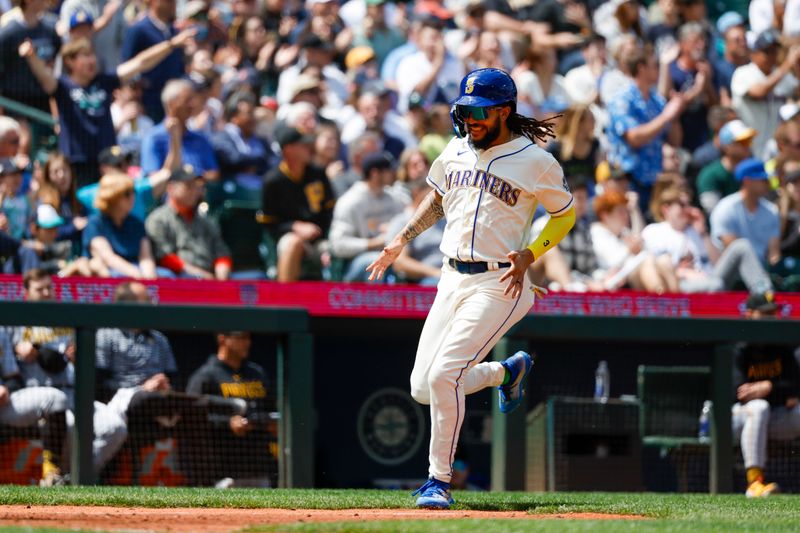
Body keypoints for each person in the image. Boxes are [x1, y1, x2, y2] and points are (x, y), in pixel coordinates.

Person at [366, 68, 575, 509]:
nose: (471, 120)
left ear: (504, 111)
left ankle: (437, 482)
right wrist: (400, 238)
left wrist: (533, 253)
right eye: (465, 111)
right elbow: (438, 199)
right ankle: (505, 372)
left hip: (500, 280)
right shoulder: (457, 148)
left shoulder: (535, 160)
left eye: (479, 112)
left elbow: (565, 215)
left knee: (445, 376)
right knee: (423, 387)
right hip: (450, 275)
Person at [19, 29, 195, 187]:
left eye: (92, 55)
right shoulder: (63, 87)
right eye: (85, 55)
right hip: (78, 164)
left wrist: (171, 44)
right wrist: (31, 57)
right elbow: (44, 76)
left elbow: (140, 63)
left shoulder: (104, 81)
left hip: (109, 161)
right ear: (70, 61)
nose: (92, 60)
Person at [13, 268, 127, 475]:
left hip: (75, 394)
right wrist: (26, 349)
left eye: (50, 288)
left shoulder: (69, 319)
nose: (47, 293)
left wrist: (80, 357)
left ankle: (78, 476)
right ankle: (64, 477)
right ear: (26, 293)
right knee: (69, 426)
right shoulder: (17, 323)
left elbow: (87, 363)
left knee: (115, 426)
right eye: (40, 289)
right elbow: (23, 355)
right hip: (43, 399)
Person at [186, 331, 277, 488]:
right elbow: (189, 419)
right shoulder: (205, 376)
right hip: (222, 470)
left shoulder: (256, 373)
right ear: (223, 339)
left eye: (248, 337)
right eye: (241, 337)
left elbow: (270, 409)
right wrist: (227, 423)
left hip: (259, 467)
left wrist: (270, 423)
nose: (247, 343)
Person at [643, 186, 774, 295]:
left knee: (742, 246)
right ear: (666, 209)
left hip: (710, 277)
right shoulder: (654, 231)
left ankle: (764, 294)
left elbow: (717, 263)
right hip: (681, 284)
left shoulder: (695, 230)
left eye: (689, 204)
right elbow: (653, 268)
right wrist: (683, 273)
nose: (688, 209)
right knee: (715, 285)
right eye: (682, 205)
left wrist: (703, 233)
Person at [732, 292, 800, 497]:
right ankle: (754, 483)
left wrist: (768, 387)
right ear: (750, 314)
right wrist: (779, 391)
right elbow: (738, 393)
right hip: (733, 421)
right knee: (758, 407)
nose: (771, 318)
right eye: (765, 313)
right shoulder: (739, 345)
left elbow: (794, 389)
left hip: (770, 420)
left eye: (773, 313)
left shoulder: (781, 345)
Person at [260, 123, 336, 282]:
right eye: (304, 145)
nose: (310, 148)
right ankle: (284, 301)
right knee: (293, 242)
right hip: (288, 239)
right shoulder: (273, 181)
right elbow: (268, 224)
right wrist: (294, 226)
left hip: (321, 240)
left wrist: (328, 238)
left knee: (338, 249)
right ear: (289, 149)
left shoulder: (318, 174)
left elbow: (330, 212)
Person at [145, 165, 232, 280]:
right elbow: (164, 257)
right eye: (188, 186)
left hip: (209, 277)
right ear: (171, 188)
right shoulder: (159, 219)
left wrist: (221, 275)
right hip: (179, 280)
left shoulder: (205, 220)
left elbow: (222, 253)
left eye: (196, 187)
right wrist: (199, 275)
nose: (194, 191)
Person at [329, 151, 405, 282]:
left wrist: (393, 229)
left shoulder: (393, 198)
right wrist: (371, 243)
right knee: (377, 261)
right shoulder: (350, 201)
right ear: (375, 173)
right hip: (354, 264)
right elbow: (338, 245)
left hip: (390, 255)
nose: (394, 173)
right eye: (389, 170)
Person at [731, 29, 800, 160]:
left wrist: (796, 67)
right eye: (767, 52)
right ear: (754, 53)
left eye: (775, 51)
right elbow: (759, 92)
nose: (772, 56)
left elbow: (797, 92)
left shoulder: (782, 75)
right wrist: (786, 65)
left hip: (775, 151)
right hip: (748, 148)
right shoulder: (743, 73)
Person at [82, 173, 159, 278]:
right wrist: (138, 276)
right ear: (113, 197)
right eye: (127, 194)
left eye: (133, 192)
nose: (133, 197)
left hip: (138, 272)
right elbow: (108, 258)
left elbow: (146, 257)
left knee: (167, 275)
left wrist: (149, 278)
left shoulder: (136, 223)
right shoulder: (95, 224)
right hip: (112, 274)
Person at [710, 158, 781, 266]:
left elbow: (774, 252)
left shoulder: (771, 210)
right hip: (731, 272)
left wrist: (775, 268)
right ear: (747, 181)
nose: (767, 183)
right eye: (763, 180)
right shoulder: (725, 208)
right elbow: (734, 251)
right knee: (742, 247)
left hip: (762, 270)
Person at [696, 119, 756, 216]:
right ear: (727, 146)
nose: (747, 146)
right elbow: (715, 212)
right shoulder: (710, 175)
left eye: (748, 141)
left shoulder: (753, 172)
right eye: (742, 142)